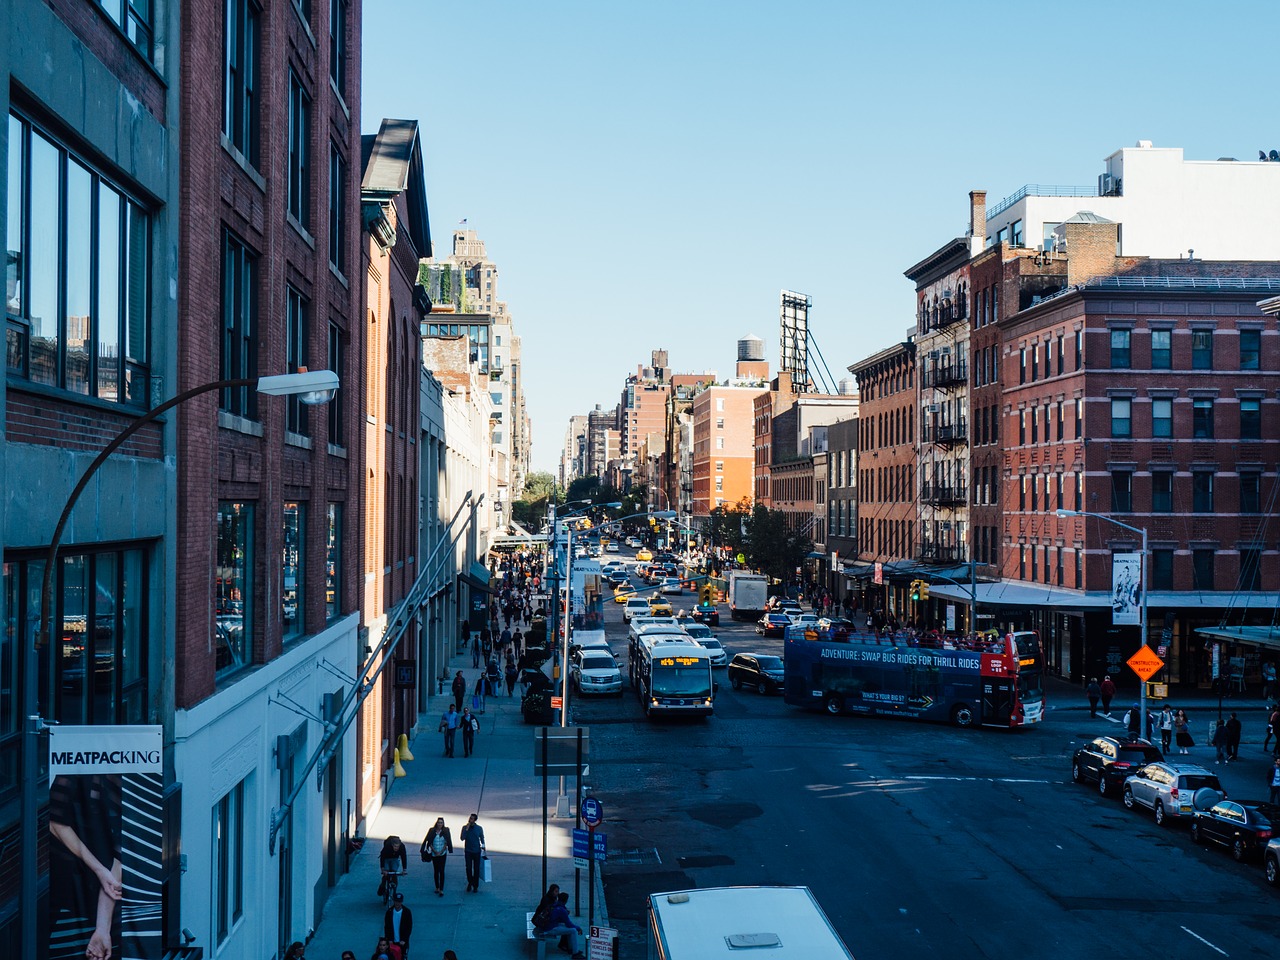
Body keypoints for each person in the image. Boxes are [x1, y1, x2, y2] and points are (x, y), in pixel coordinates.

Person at [48, 773, 124, 960]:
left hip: (95, 892)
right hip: (61, 879)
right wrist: (99, 869)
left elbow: (121, 860)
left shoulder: (134, 786)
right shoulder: (79, 763)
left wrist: (102, 928)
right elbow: (55, 821)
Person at [540, 891, 584, 959]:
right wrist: (578, 928)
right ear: (565, 900)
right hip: (550, 929)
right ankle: (575, 953)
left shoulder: (555, 905)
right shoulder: (562, 910)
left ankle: (570, 948)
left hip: (548, 926)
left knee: (569, 929)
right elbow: (569, 924)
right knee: (573, 930)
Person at [421, 818, 453, 896]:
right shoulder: (432, 831)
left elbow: (446, 842)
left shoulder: (445, 831)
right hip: (434, 854)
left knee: (441, 871)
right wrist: (435, 851)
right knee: (436, 871)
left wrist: (441, 851)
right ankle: (437, 887)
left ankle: (441, 889)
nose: (440, 824)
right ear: (436, 823)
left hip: (442, 854)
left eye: (441, 823)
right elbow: (429, 842)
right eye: (439, 823)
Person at [460, 813, 486, 892]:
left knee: (476, 868)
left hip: (476, 851)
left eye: (471, 818)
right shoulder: (464, 827)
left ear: (474, 820)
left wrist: (483, 846)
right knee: (468, 868)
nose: (470, 819)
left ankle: (475, 885)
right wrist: (466, 830)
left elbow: (482, 837)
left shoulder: (479, 828)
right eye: (470, 818)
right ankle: (470, 882)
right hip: (468, 851)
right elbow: (462, 838)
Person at [383, 893, 413, 959]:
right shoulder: (389, 912)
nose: (397, 903)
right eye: (396, 901)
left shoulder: (407, 912)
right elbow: (387, 927)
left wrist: (404, 939)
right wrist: (389, 939)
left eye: (399, 901)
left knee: (402, 956)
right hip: (392, 942)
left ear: (401, 901)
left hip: (402, 942)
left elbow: (409, 927)